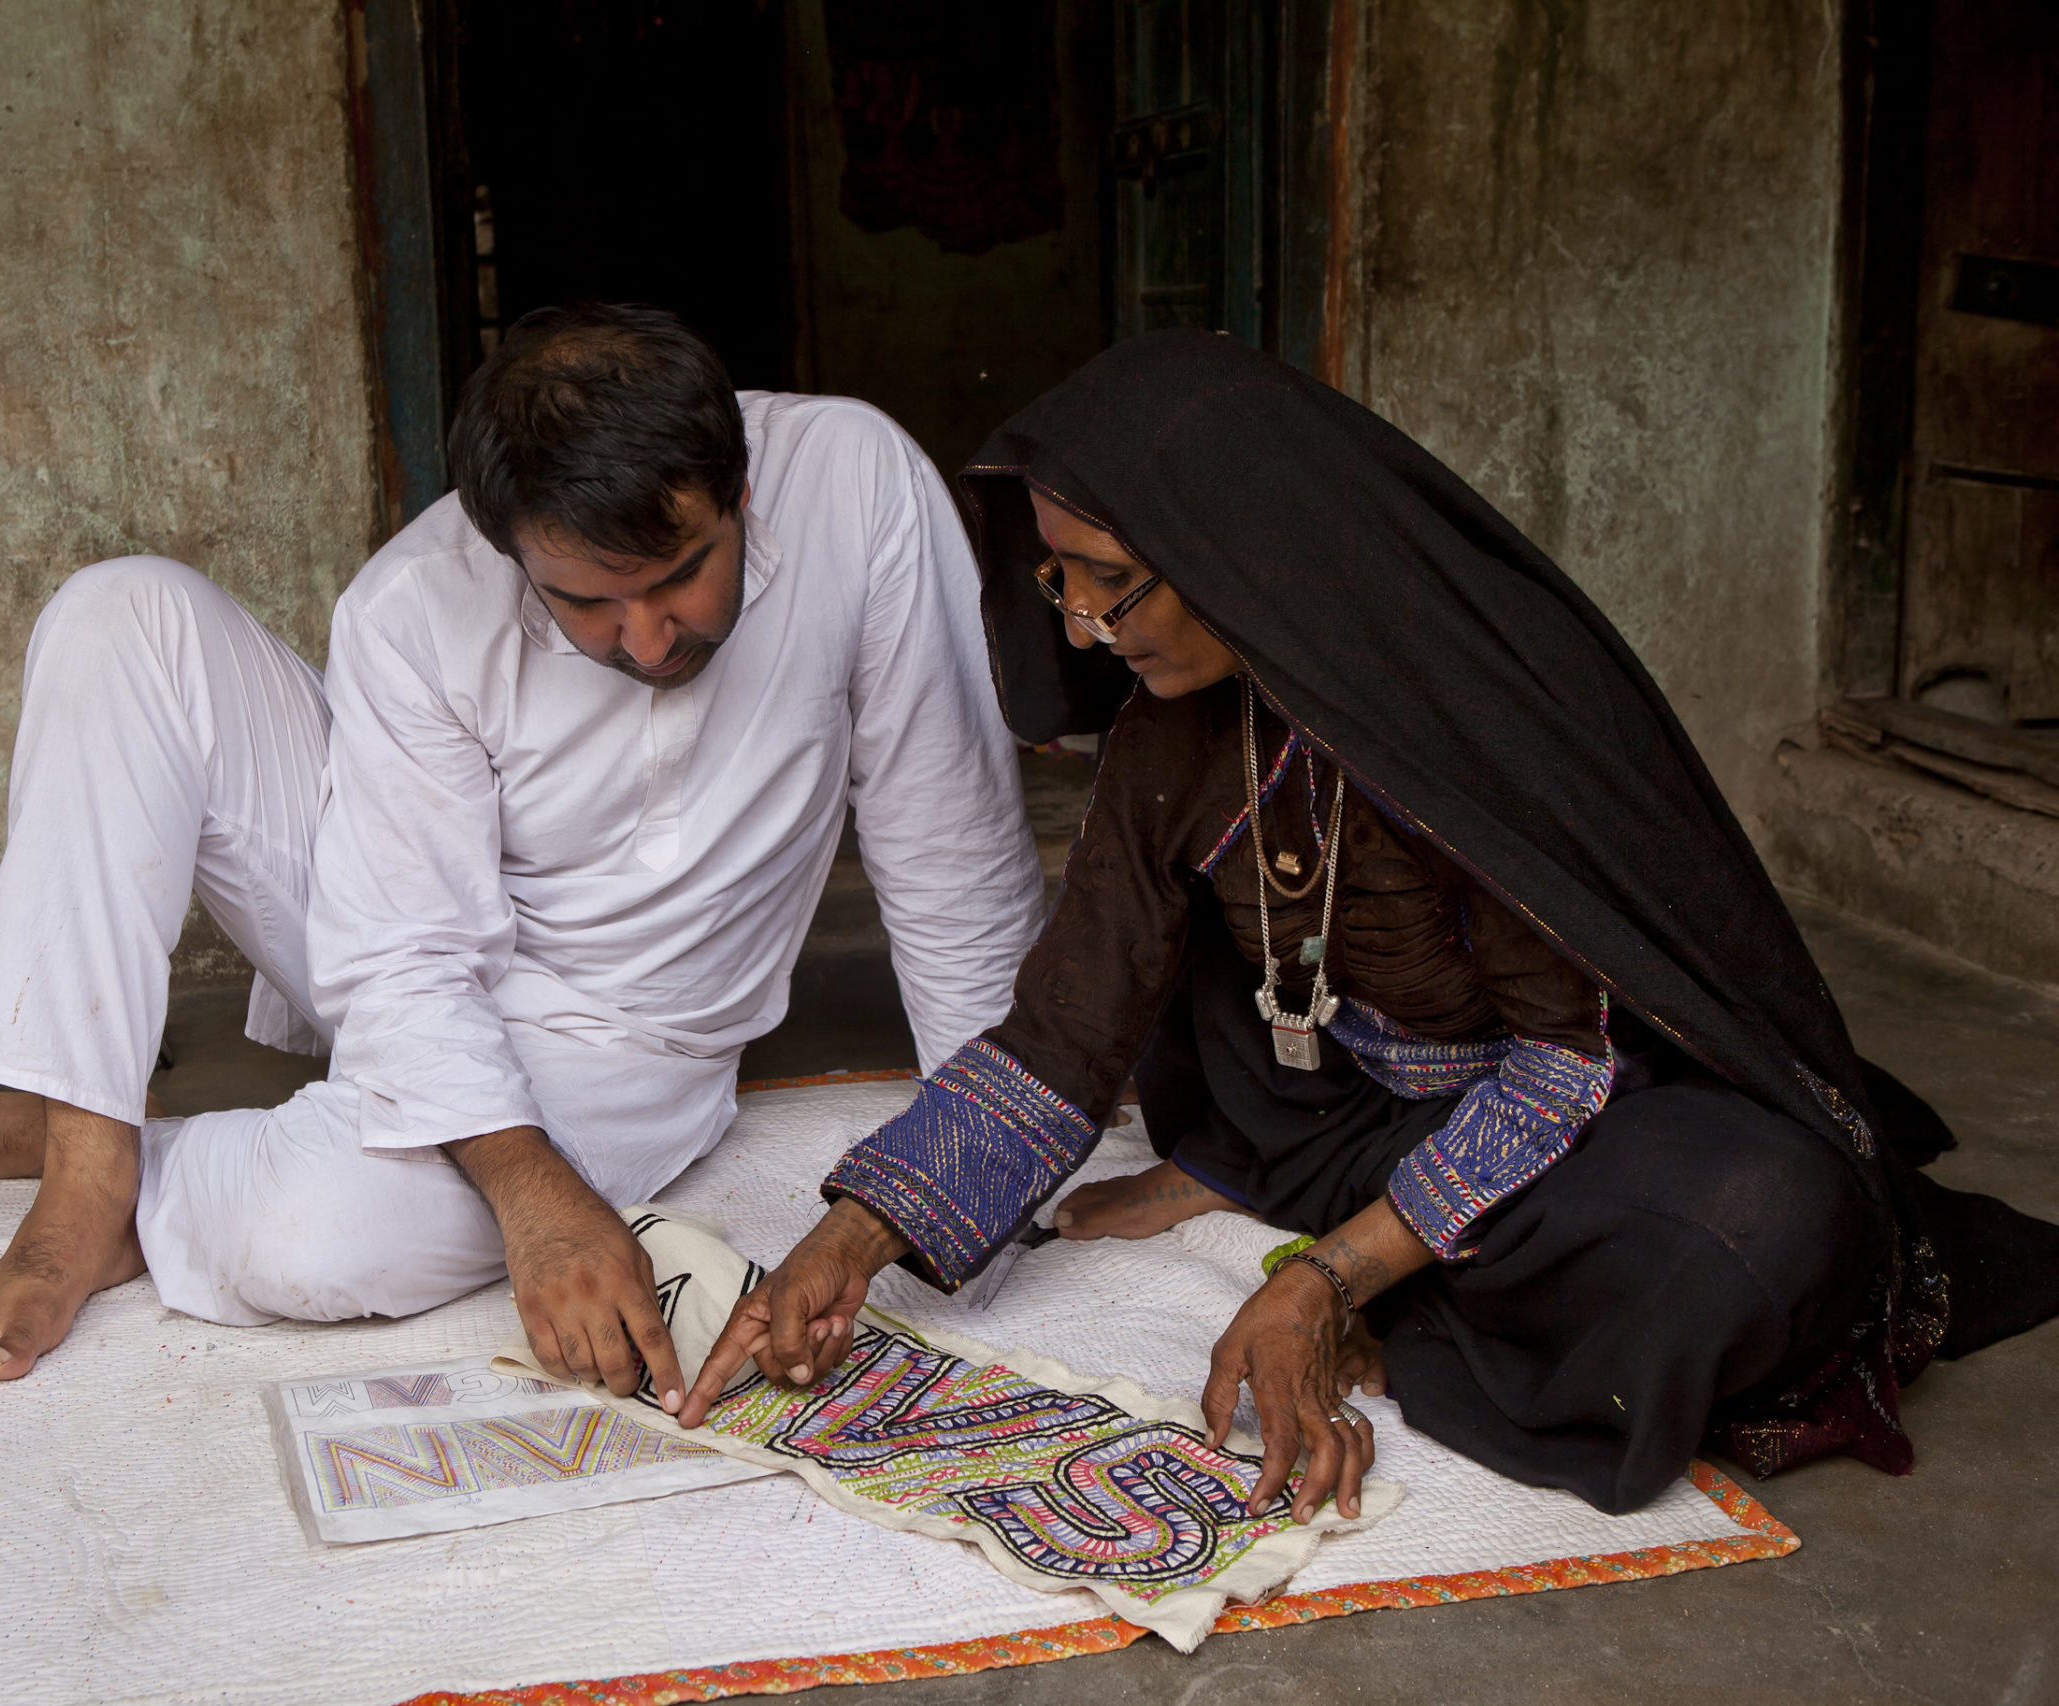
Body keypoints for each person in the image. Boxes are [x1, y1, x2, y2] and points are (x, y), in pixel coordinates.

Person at [680, 330, 2059, 1518]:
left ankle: (1377, 1297)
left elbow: (1565, 1063)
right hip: (1318, 1106)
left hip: (1563, 1110)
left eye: (1116, 580)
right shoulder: (1167, 744)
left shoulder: (1454, 710)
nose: (1092, 626)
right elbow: (1064, 1031)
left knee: (1763, 1226)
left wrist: (1331, 1278)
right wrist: (852, 1240)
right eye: (1062, 584)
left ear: (1233, 547)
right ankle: (1290, 1199)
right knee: (1182, 1026)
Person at [0, 305, 1045, 1396]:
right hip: (393, 935)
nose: (645, 638)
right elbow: (399, 944)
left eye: (680, 576)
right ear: (509, 546)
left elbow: (951, 856)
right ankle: (86, 1167)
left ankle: (112, 1130)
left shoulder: (856, 482)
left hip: (622, 1033)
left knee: (314, 1239)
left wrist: (989, 1177)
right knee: (121, 615)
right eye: (587, 603)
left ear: (738, 485)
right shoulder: (416, 601)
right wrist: (534, 1197)